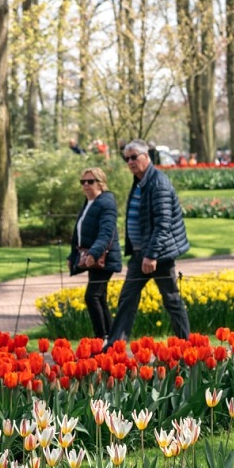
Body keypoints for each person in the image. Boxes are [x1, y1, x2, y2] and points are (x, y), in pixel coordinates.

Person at [104, 142, 191, 348]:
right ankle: (115, 347)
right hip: (140, 254)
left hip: (158, 255)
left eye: (134, 157)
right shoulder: (140, 181)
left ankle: (188, 345)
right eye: (127, 159)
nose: (130, 162)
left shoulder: (158, 183)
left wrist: (151, 255)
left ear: (147, 156)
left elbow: (163, 224)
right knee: (127, 298)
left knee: (171, 300)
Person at [69, 166, 121, 339]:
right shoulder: (90, 203)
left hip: (103, 259)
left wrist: (94, 253)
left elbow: (106, 233)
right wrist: (73, 256)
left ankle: (102, 338)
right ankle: (110, 338)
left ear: (101, 183)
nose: (85, 185)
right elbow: (80, 232)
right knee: (99, 297)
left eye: (90, 181)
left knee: (92, 296)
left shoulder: (106, 203)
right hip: (93, 257)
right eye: (83, 182)